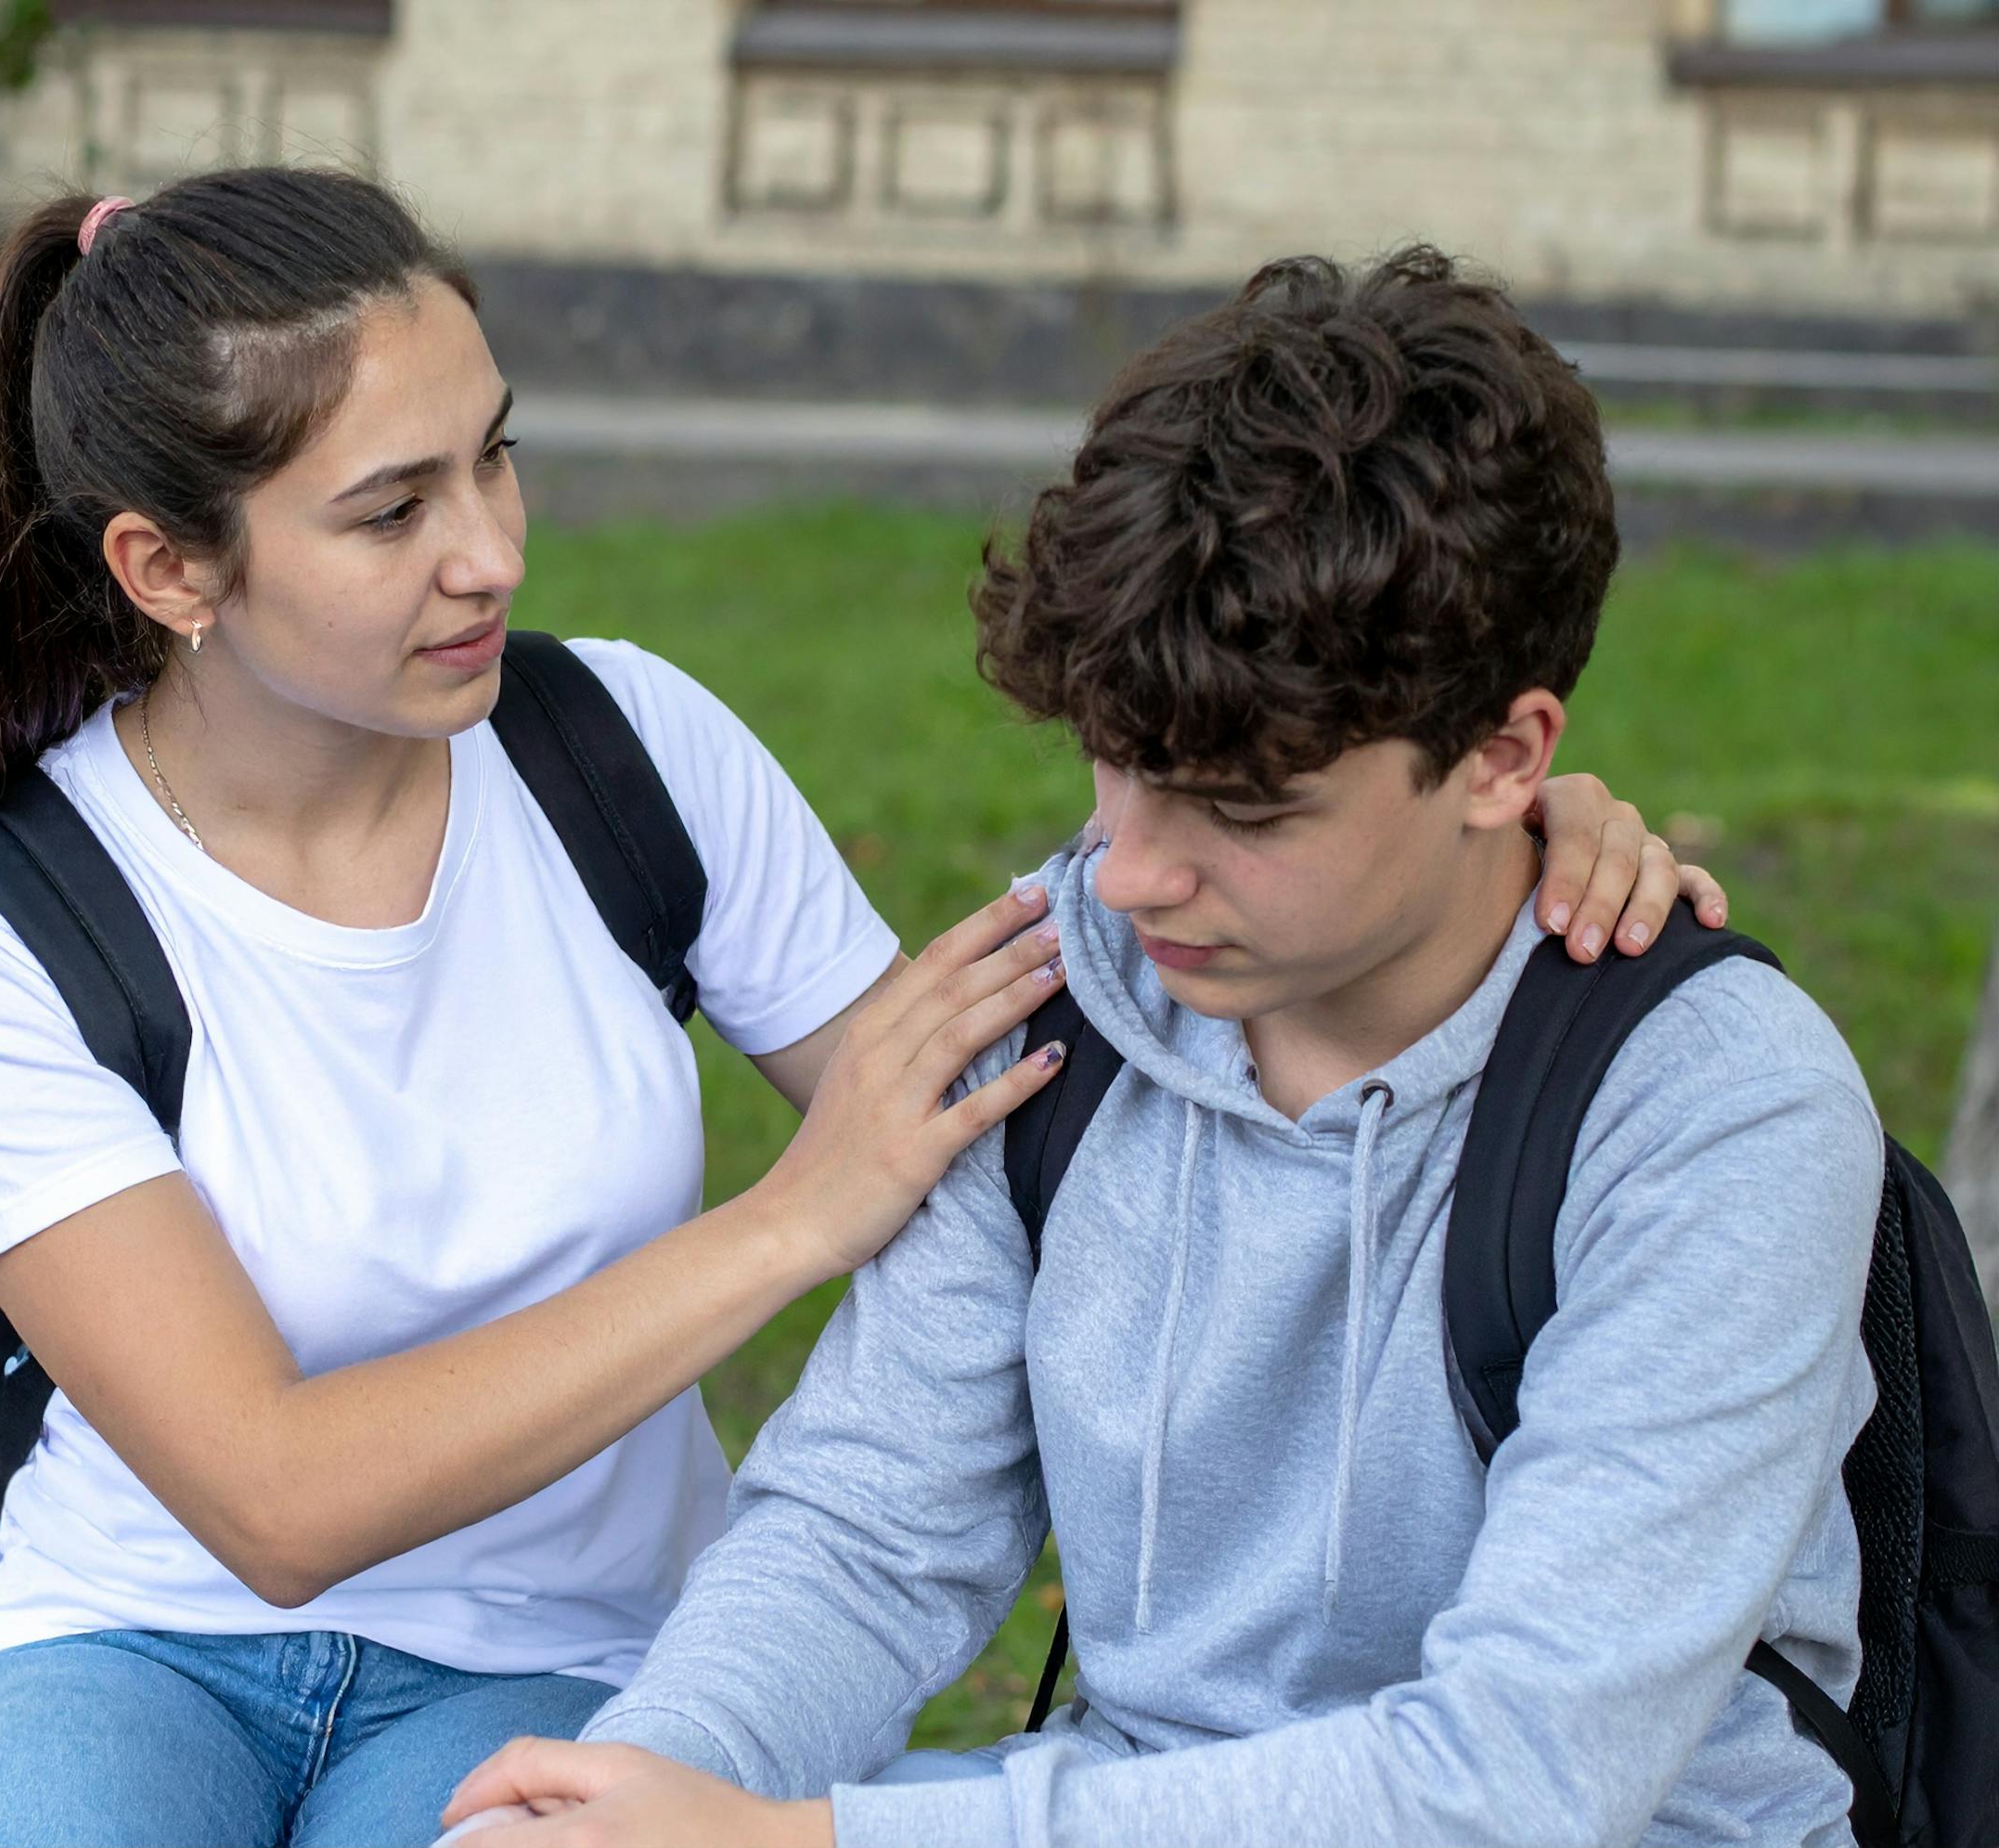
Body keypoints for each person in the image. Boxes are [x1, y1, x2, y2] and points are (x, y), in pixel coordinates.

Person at [0, 166, 1714, 1848]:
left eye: (494, 456)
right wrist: (787, 1224)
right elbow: (269, 1498)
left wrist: (1485, 831)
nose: (488, 550)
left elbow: (1038, 1076)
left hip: (558, 1654)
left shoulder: (619, 751)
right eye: (390, 508)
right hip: (125, 1645)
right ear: (169, 570)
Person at [442, 250, 1880, 1848]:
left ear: (1503, 758)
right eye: (1116, 769)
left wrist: (800, 1843)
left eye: (1243, 811)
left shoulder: (1715, 1107)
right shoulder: (1066, 992)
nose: (1127, 871)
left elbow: (1517, 1783)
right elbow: (865, 1534)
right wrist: (634, 1790)